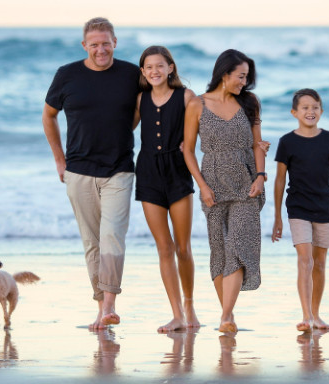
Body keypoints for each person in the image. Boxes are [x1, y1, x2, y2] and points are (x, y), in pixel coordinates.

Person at [42, 17, 140, 330]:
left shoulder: (131, 74)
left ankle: (109, 305)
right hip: (78, 171)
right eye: (94, 44)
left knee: (112, 237)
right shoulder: (67, 74)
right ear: (84, 45)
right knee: (92, 242)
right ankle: (101, 308)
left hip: (119, 169)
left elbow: (146, 106)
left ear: (115, 42)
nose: (101, 50)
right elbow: (49, 115)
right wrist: (59, 159)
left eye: (106, 43)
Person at [183, 49, 266, 334]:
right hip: (213, 186)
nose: (244, 82)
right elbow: (188, 151)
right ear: (224, 74)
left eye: (246, 77)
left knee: (238, 245)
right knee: (219, 250)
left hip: (246, 185)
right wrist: (202, 186)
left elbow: (257, 144)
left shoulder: (250, 103)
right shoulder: (197, 105)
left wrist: (261, 176)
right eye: (240, 76)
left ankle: (227, 315)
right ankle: (226, 317)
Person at [271, 88, 329, 332]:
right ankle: (306, 316)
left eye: (315, 107)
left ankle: (316, 315)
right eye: (305, 108)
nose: (310, 111)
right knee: (305, 260)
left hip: (324, 207)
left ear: (321, 110)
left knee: (319, 263)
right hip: (298, 207)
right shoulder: (287, 142)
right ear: (294, 112)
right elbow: (280, 180)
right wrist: (277, 216)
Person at [135, 46, 200, 333]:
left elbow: (204, 127)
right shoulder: (140, 99)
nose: (155, 71)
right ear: (143, 72)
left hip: (178, 172)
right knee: (164, 247)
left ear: (170, 68)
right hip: (148, 173)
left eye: (160, 65)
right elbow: (121, 129)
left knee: (183, 248)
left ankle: (189, 304)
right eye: (149, 67)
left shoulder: (186, 96)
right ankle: (176, 314)